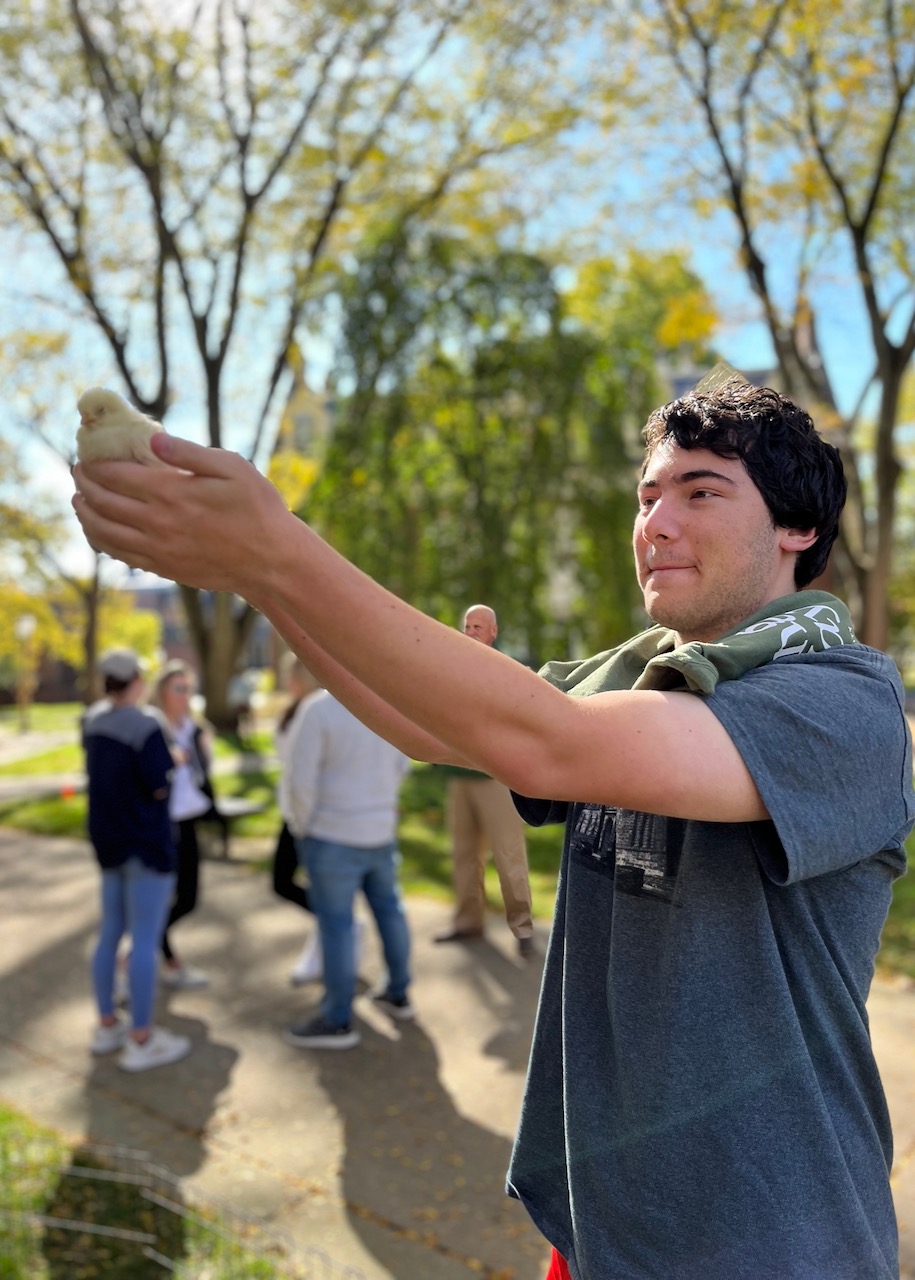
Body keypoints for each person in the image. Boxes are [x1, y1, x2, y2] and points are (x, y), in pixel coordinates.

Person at [73, 377, 914, 1275]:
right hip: (602, 1229)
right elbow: (429, 726)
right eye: (647, 496)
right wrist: (250, 574)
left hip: (774, 1244)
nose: (655, 523)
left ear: (797, 528)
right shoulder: (640, 671)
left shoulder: (844, 703)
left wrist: (278, 549)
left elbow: (544, 744)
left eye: (699, 492)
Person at [277, 664, 413, 1049]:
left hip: (332, 835)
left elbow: (299, 781)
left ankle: (337, 1019)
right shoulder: (386, 707)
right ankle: (399, 992)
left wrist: (301, 827)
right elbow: (404, 764)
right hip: (378, 830)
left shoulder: (318, 710)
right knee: (389, 911)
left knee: (336, 926)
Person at [82, 648, 192, 1073]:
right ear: (137, 681)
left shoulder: (93, 721)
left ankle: (108, 1024)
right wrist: (174, 761)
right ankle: (142, 1039)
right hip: (145, 844)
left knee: (110, 932)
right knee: (145, 939)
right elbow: (159, 783)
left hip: (108, 844)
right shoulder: (147, 725)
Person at [436, 604, 535, 958]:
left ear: (494, 632)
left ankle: (523, 930)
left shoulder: (507, 669)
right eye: (467, 626)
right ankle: (468, 923)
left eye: (478, 626)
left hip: (495, 778)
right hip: (459, 776)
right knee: (464, 854)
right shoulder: (452, 670)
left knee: (508, 853)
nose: (471, 632)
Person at [274, 652, 367, 985]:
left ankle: (331, 947)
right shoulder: (293, 712)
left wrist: (305, 819)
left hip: (316, 816)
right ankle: (341, 926)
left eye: (292, 675)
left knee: (318, 887)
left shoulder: (319, 712)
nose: (288, 682)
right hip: (295, 812)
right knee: (283, 882)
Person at [147, 660, 212, 989]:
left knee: (188, 897)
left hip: (188, 819)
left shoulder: (194, 729)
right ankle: (167, 961)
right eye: (178, 689)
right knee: (159, 895)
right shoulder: (153, 728)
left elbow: (202, 775)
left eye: (188, 689)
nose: (185, 696)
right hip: (161, 823)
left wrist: (203, 753)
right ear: (162, 692)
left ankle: (143, 943)